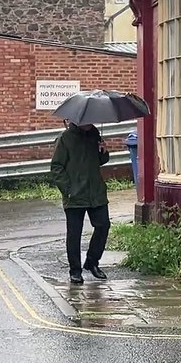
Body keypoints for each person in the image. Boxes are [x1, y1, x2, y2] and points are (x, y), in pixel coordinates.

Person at [49, 121, 111, 285]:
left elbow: (101, 160)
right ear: (77, 120)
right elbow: (56, 167)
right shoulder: (65, 138)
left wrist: (103, 151)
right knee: (74, 234)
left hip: (96, 192)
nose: (90, 123)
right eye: (87, 120)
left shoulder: (94, 135)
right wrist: (68, 190)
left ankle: (92, 262)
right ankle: (75, 271)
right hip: (74, 194)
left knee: (103, 225)